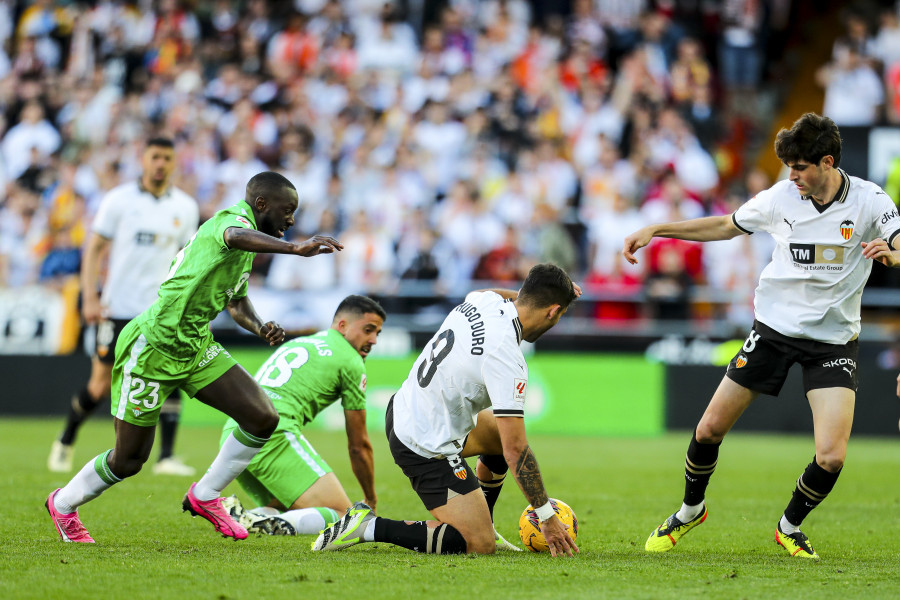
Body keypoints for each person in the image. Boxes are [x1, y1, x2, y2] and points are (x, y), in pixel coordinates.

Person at [622, 113, 900, 559]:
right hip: (771, 331)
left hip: (832, 341)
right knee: (709, 428)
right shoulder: (780, 198)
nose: (792, 176)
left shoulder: (870, 201)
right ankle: (690, 510)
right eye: (789, 167)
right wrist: (658, 229)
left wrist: (894, 254)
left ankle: (790, 526)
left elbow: (899, 240)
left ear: (827, 162)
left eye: (800, 167)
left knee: (831, 456)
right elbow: (724, 225)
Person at [45, 171, 343, 543]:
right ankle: (63, 503)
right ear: (262, 205)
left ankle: (205, 495)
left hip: (195, 345)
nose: (292, 220)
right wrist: (295, 248)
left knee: (262, 418)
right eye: (288, 210)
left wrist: (260, 325)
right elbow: (234, 236)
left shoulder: (244, 247)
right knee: (129, 460)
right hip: (153, 346)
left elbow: (235, 301)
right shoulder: (229, 222)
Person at [313, 263, 581, 557]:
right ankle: (368, 526)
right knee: (478, 544)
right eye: (561, 314)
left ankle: (484, 519)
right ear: (553, 311)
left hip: (405, 406)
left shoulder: (485, 301)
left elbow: (489, 293)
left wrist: (530, 295)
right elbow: (516, 450)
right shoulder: (507, 359)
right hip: (423, 444)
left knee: (494, 434)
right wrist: (547, 516)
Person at [47, 137, 200, 477]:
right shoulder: (119, 200)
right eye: (155, 157)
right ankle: (66, 438)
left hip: (161, 311)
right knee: (99, 385)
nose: (160, 163)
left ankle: (166, 457)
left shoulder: (186, 207)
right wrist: (90, 295)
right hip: (118, 307)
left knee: (170, 379)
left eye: (167, 158)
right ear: (143, 159)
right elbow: (94, 248)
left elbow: (187, 259)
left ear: (175, 163)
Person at [220, 294, 385, 536]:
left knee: (286, 504)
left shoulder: (301, 343)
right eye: (368, 330)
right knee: (343, 516)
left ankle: (247, 518)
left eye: (377, 333)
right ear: (343, 326)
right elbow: (358, 445)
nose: (373, 340)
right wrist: (370, 498)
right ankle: (254, 522)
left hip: (233, 432)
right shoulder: (351, 361)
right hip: (272, 434)